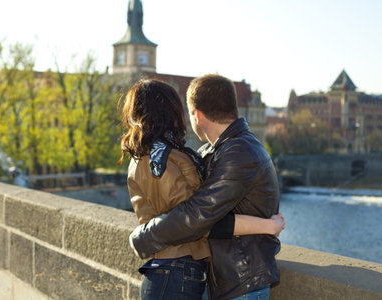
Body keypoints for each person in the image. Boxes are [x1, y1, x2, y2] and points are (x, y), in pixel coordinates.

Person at [119, 79, 284, 300]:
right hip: (225, 280)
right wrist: (267, 225)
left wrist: (143, 237)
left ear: (196, 114)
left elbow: (197, 217)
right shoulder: (213, 150)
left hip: (240, 282)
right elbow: (198, 216)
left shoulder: (238, 151)